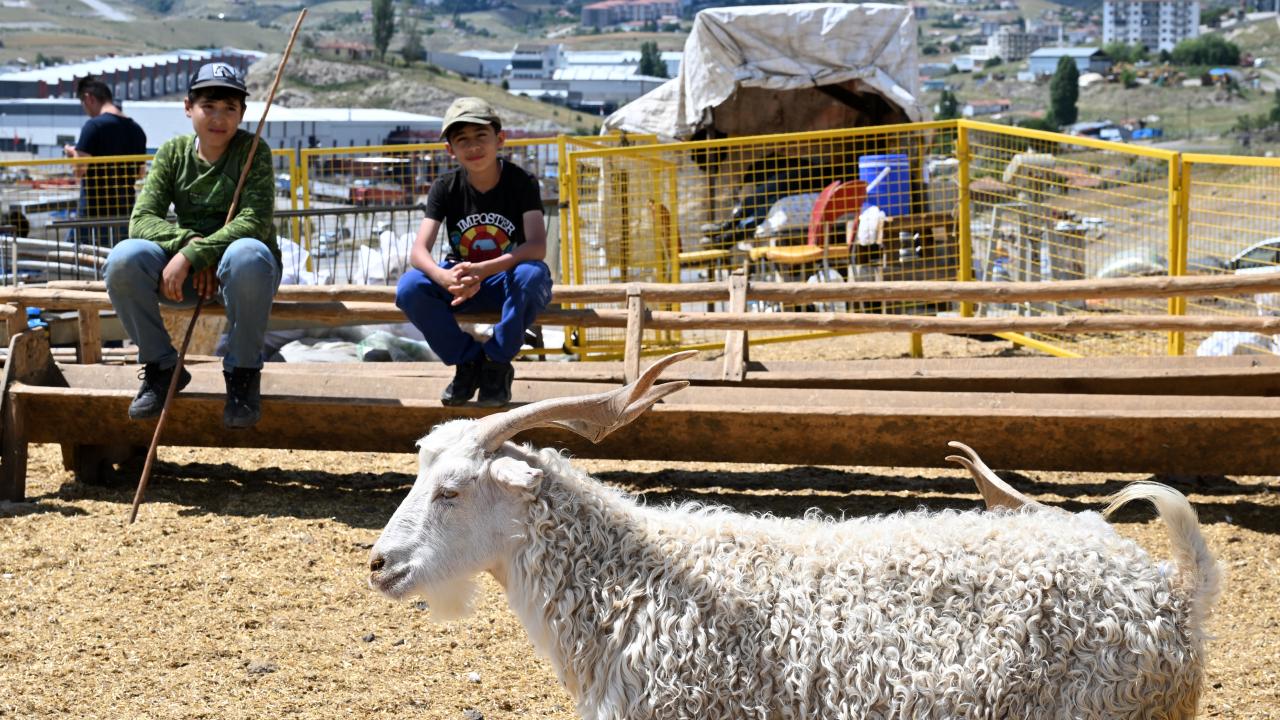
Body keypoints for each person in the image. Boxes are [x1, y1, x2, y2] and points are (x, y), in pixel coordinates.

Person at [104, 62, 281, 429]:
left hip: (244, 277)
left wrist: (198, 255)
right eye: (209, 106)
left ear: (242, 114)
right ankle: (161, 366)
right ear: (188, 108)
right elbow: (141, 219)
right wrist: (187, 246)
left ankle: (242, 373)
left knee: (246, 253)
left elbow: (254, 221)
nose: (219, 117)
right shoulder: (172, 153)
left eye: (230, 108)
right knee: (124, 258)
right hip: (183, 276)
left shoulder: (253, 151)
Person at [395, 97, 552, 407]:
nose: (473, 146)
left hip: (507, 280)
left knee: (531, 276)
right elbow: (418, 251)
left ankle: (497, 362)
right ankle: (467, 362)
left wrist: (487, 269)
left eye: (481, 136)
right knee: (410, 287)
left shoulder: (521, 182)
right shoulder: (445, 187)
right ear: (450, 149)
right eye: (462, 140)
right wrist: (442, 276)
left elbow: (536, 245)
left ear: (500, 139)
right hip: (463, 283)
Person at [63, 76, 147, 246]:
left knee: (75, 261)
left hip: (93, 213)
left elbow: (79, 171)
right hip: (125, 211)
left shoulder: (93, 127)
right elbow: (140, 173)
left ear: (89, 98)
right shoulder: (137, 130)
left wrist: (73, 154)